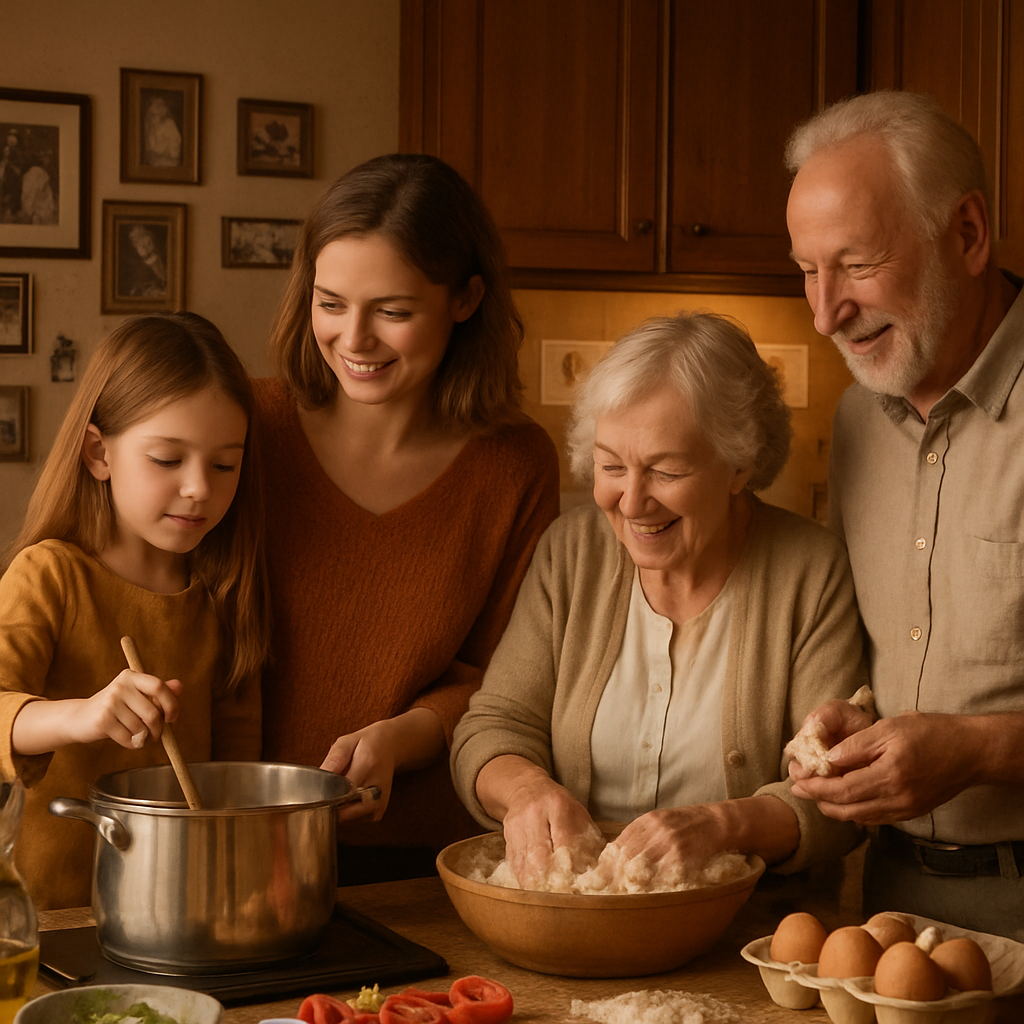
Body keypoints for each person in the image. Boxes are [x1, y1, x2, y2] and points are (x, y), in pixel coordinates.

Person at [450, 311, 866, 889]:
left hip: (750, 934)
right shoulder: (571, 555)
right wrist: (526, 790)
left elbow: (834, 795)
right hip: (578, 921)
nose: (632, 501)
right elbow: (493, 726)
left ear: (740, 463)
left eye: (666, 471)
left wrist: (722, 825)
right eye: (611, 467)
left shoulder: (810, 572)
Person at [257, 153, 560, 881]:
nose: (354, 339)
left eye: (392, 312)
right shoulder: (248, 428)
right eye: (331, 303)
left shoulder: (514, 464)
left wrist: (401, 737)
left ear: (465, 299)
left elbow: (507, 680)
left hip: (424, 861)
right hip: (240, 845)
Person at [784, 90, 1024, 938]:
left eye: (854, 264)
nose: (824, 314)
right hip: (892, 904)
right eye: (807, 271)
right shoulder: (856, 421)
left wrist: (978, 750)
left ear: (967, 233)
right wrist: (857, 722)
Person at [0, 312, 269, 909]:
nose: (200, 486)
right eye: (168, 460)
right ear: (99, 453)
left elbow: (235, 767)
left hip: (180, 911)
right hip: (47, 925)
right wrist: (82, 717)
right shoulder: (50, 575)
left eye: (225, 464)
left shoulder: (222, 591)